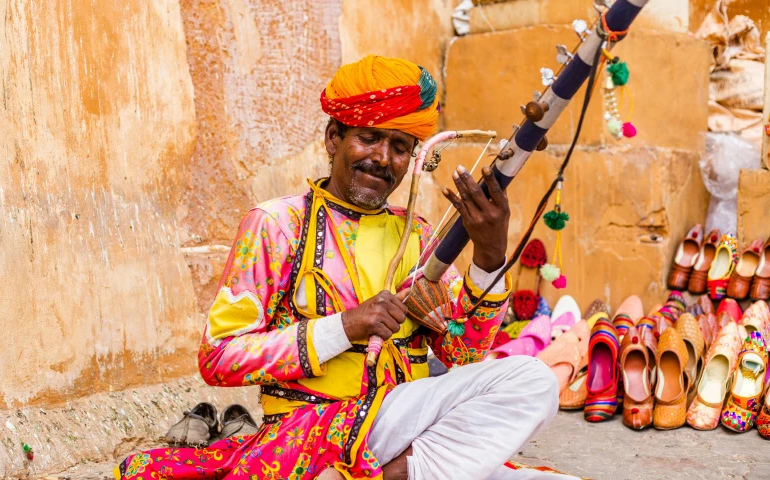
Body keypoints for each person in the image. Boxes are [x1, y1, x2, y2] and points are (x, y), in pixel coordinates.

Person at [117, 55, 563, 480]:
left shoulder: (420, 236)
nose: (383, 158)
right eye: (368, 138)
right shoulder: (276, 225)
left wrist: (489, 257)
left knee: (534, 382)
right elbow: (218, 358)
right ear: (334, 138)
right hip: (305, 436)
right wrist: (346, 326)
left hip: (393, 420)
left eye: (400, 147)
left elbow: (462, 354)